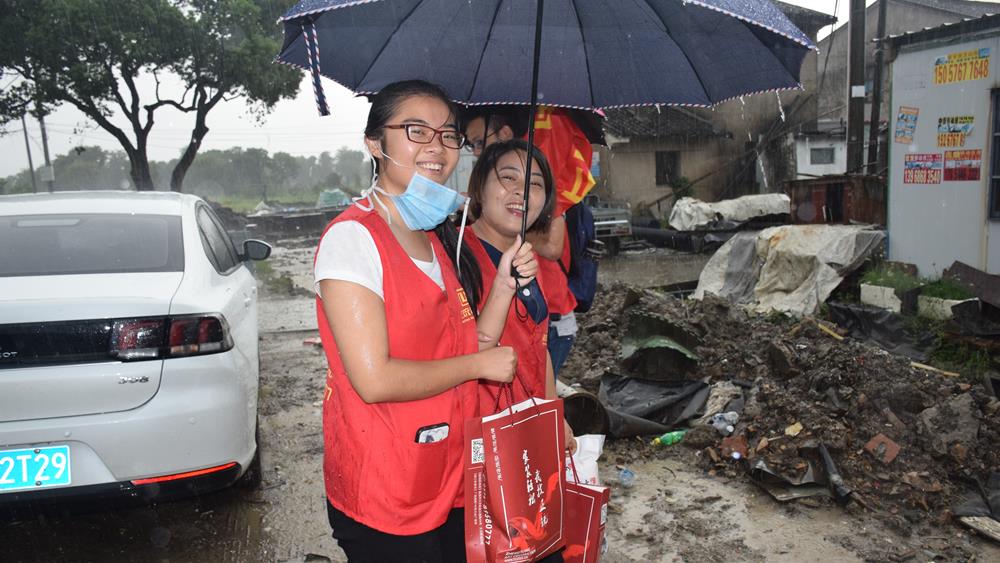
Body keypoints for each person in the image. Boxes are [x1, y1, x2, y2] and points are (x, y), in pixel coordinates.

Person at [313, 80, 536, 562]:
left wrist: (502, 284)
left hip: (448, 476)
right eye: (417, 131)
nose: (437, 147)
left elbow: (469, 344)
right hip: (387, 487)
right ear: (375, 143)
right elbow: (374, 379)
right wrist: (478, 367)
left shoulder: (436, 241)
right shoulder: (353, 240)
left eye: (449, 134)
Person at [463, 109, 580, 378]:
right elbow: (465, 358)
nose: (522, 191)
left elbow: (540, 357)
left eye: (535, 184)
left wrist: (558, 420)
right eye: (508, 178)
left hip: (532, 409)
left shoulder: (524, 259)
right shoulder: (455, 256)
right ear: (480, 186)